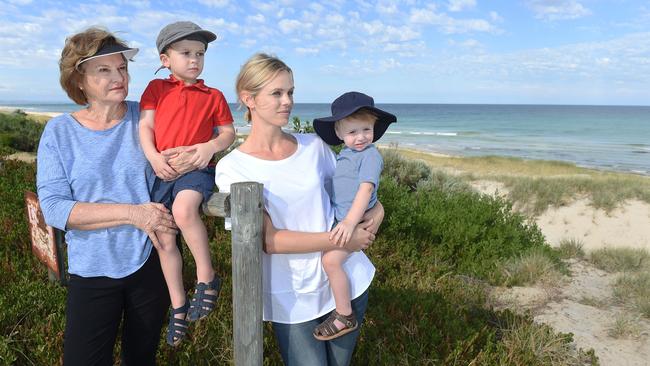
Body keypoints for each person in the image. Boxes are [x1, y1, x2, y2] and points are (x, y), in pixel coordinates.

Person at [214, 53, 383, 366]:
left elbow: (349, 194)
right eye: (276, 93)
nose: (287, 101)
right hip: (292, 298)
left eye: (290, 92)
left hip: (347, 280)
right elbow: (269, 241)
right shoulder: (233, 167)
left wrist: (379, 210)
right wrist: (342, 240)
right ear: (248, 99)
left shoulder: (313, 146)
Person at [36, 27, 180, 365]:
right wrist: (133, 214)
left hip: (149, 263)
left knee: (141, 358)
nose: (119, 77)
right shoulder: (59, 132)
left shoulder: (146, 117)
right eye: (104, 70)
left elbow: (190, 139)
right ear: (79, 79)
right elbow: (55, 208)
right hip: (92, 269)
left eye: (123, 68)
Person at [139, 20, 236, 346]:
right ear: (166, 59)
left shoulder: (213, 95)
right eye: (185, 53)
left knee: (183, 212)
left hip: (196, 170)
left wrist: (208, 147)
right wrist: (153, 158)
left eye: (200, 53)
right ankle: (178, 306)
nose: (194, 59)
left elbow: (227, 134)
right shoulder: (156, 90)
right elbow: (145, 127)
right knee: (164, 239)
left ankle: (207, 279)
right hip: (162, 171)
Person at [311, 92, 396, 341]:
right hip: (346, 219)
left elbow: (365, 189)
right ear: (339, 133)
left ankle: (344, 315)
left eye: (366, 130)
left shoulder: (370, 155)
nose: (360, 137)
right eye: (352, 132)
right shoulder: (346, 155)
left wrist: (349, 222)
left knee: (330, 261)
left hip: (356, 221)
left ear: (374, 129)